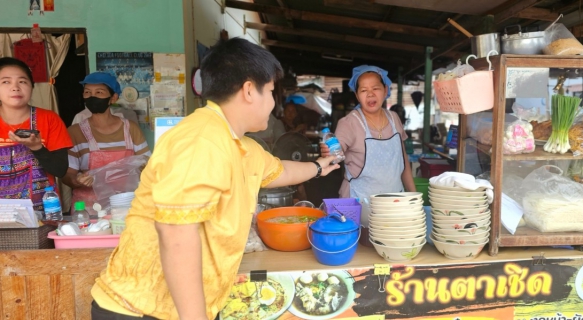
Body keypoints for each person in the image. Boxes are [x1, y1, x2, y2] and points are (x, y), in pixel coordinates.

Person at [90, 38, 339, 319]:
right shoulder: (201, 140)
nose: (272, 103)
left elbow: (280, 171)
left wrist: (319, 166)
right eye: (270, 91)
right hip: (140, 310)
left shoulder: (240, 145)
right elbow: (175, 235)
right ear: (248, 90)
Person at [321, 65, 416, 201]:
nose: (370, 94)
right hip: (359, 203)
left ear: (385, 90)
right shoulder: (349, 123)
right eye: (364, 90)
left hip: (394, 203)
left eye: (375, 88)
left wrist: (414, 198)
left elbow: (403, 161)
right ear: (357, 95)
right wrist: (330, 152)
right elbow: (337, 149)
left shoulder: (394, 118)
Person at [62, 72, 151, 216]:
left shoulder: (130, 129)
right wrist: (78, 180)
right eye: (87, 92)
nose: (92, 97)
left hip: (127, 207)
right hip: (88, 211)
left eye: (99, 92)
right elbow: (67, 175)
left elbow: (148, 165)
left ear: (113, 97)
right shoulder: (75, 132)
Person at [0, 57, 73, 212]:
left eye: (22, 81)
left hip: (41, 216)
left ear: (32, 87)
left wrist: (37, 148)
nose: (15, 88)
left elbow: (60, 170)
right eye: (6, 82)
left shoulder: (49, 119)